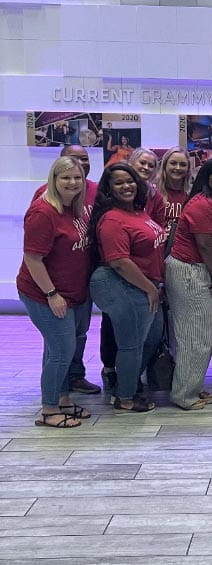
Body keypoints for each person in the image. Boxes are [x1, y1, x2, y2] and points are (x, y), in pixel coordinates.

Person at [17, 156, 92, 427]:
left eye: (77, 178)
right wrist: (51, 294)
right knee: (62, 350)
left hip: (70, 292)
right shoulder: (43, 212)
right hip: (43, 293)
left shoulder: (76, 208)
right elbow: (32, 259)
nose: (72, 183)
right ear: (54, 180)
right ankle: (49, 410)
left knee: (57, 349)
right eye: (66, 178)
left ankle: (63, 400)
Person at [89, 163, 166, 413]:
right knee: (131, 344)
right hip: (126, 284)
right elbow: (119, 261)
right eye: (119, 182)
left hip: (146, 284)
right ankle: (125, 397)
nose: (127, 186)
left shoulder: (137, 211)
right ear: (109, 189)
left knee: (151, 339)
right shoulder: (112, 219)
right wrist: (150, 288)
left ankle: (127, 384)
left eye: (130, 181)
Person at [29, 145, 100, 395]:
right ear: (57, 170)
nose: (73, 180)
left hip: (81, 282)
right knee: (58, 345)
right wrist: (50, 292)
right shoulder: (43, 201)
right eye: (67, 173)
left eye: (84, 161)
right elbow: (34, 254)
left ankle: (72, 382)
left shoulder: (92, 191)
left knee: (77, 336)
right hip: (52, 288)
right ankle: (53, 399)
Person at [165, 157, 212, 410]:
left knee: (201, 334)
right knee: (195, 337)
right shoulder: (201, 204)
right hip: (189, 271)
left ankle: (191, 386)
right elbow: (204, 245)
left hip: (197, 270)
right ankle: (183, 395)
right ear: (206, 176)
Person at [154, 146, 191, 231]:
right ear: (165, 165)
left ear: (188, 168)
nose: (178, 168)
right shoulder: (154, 192)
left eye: (183, 165)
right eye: (173, 163)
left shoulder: (191, 195)